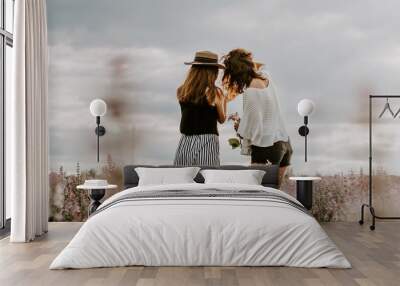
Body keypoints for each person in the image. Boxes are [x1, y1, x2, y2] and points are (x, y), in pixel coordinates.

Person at [222, 48, 292, 186]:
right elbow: (261, 65)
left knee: (260, 192)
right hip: (284, 143)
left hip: (266, 147)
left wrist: (238, 126)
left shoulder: (251, 92)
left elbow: (251, 130)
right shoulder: (266, 77)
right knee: (274, 193)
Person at [173, 51, 227, 166]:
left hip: (185, 140)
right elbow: (222, 119)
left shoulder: (182, 91)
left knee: (182, 177)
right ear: (212, 72)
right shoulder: (214, 92)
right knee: (206, 177)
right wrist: (224, 99)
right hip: (207, 140)